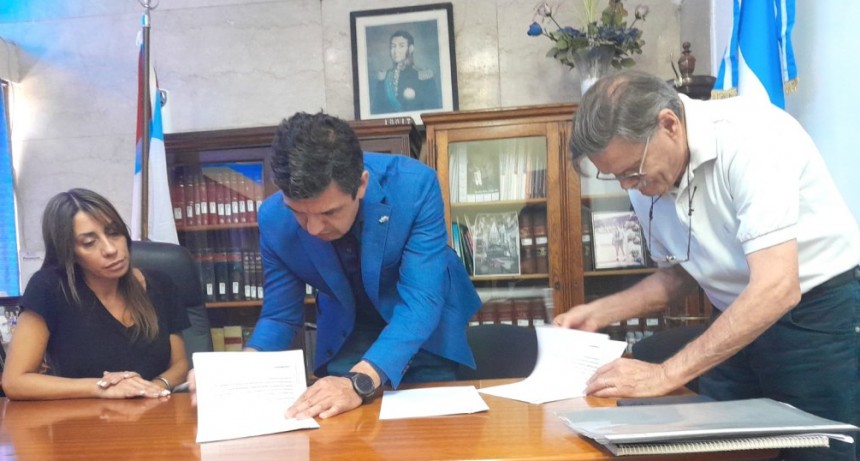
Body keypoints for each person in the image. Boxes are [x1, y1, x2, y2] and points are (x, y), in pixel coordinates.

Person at [555, 71, 859, 460]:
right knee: (722, 450)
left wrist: (665, 374)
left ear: (669, 124)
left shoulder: (752, 134)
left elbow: (777, 287)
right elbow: (682, 271)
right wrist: (602, 311)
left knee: (815, 452)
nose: (628, 186)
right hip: (733, 316)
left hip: (814, 315)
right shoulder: (645, 176)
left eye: (631, 171)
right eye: (615, 176)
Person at [246, 112, 481, 419]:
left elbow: (421, 299)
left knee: (432, 427)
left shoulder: (413, 187)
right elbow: (279, 316)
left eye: (329, 212)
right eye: (299, 213)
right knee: (343, 426)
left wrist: (359, 382)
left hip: (423, 324)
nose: (313, 229)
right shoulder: (273, 218)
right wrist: (238, 370)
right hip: (349, 327)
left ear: (361, 185)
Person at [1, 188, 189, 400]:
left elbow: (180, 364)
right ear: (69, 252)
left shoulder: (160, 284)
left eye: (114, 233)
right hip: (83, 417)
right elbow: (14, 382)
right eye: (89, 243)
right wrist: (102, 387)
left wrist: (149, 388)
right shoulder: (49, 288)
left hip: (155, 411)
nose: (110, 249)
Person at [371, 30, 441, 114]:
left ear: (411, 49)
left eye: (401, 46)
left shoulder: (424, 77)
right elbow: (376, 111)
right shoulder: (384, 77)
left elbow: (433, 112)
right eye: (393, 46)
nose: (396, 51)